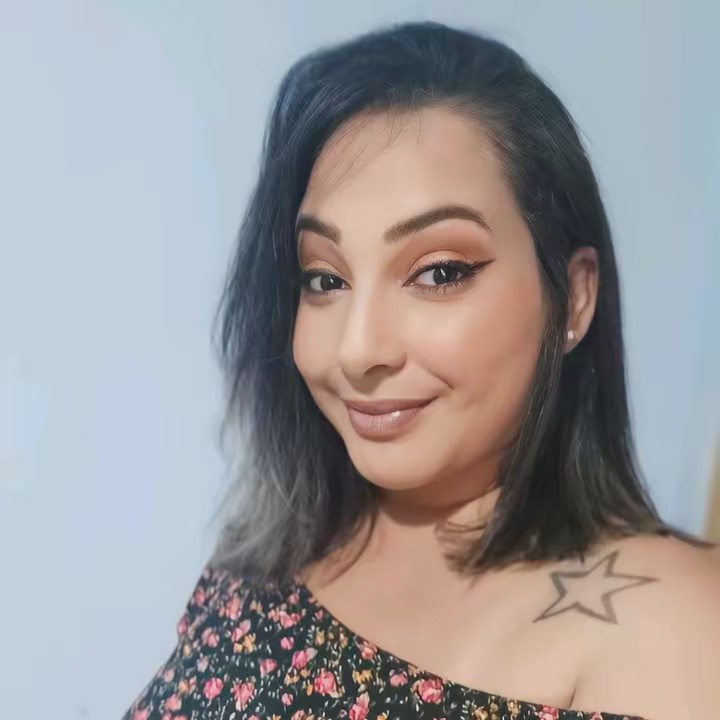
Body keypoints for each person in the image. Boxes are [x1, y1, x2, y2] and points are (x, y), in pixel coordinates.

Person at [123, 21, 720, 720]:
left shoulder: (668, 625)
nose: (358, 350)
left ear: (575, 297)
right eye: (325, 279)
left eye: (438, 272)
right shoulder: (272, 551)